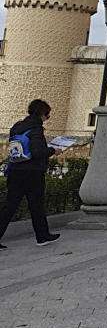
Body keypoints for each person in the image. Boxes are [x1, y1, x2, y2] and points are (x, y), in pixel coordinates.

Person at [0, 99, 60, 249]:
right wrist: (53, 150)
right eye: (48, 115)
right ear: (42, 114)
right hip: (32, 172)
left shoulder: (17, 127)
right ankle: (42, 236)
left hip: (15, 170)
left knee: (10, 206)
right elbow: (38, 152)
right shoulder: (36, 128)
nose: (48, 118)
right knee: (37, 205)